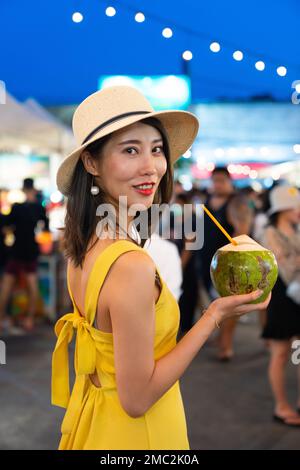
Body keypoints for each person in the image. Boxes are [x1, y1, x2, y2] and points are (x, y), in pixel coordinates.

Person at [51, 86, 271, 450]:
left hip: (94, 422)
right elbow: (137, 400)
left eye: (156, 149)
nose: (150, 166)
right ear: (91, 163)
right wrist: (213, 315)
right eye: (130, 150)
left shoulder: (83, 243)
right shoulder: (131, 264)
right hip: (137, 438)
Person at [260, 185, 300, 426]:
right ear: (283, 208)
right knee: (280, 353)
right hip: (282, 297)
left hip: (297, 297)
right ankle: (281, 406)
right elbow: (283, 267)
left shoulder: (295, 230)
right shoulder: (269, 233)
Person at [0, 178, 49, 333]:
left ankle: (1, 319)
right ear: (33, 189)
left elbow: (5, 225)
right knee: (32, 286)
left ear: (23, 190)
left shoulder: (16, 207)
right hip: (31, 251)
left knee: (6, 286)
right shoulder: (39, 208)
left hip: (16, 250)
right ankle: (29, 319)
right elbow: (45, 229)